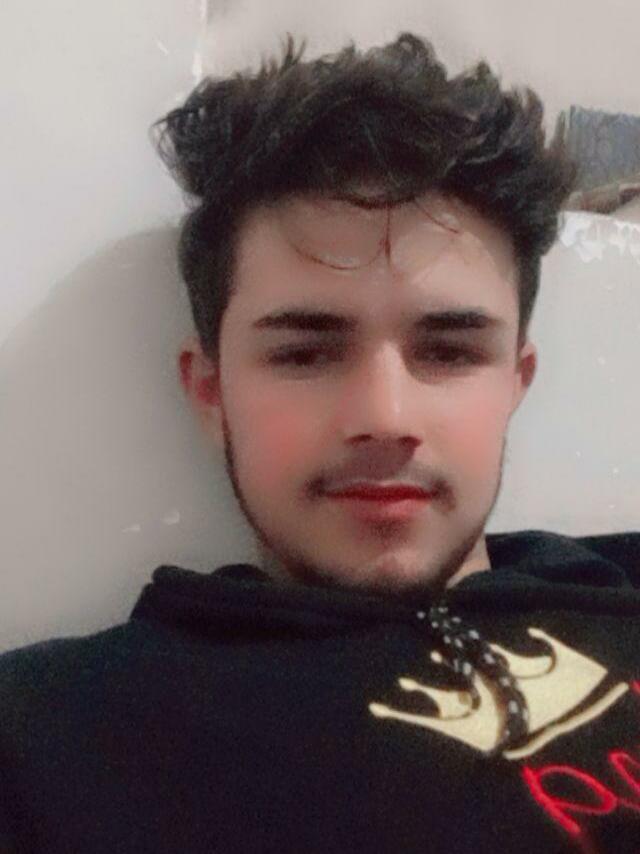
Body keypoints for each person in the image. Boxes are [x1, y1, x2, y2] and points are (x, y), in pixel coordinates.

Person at [1, 31, 639, 854]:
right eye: (305, 354)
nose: (385, 415)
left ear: (516, 382)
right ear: (210, 391)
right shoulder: (49, 739)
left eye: (448, 352)